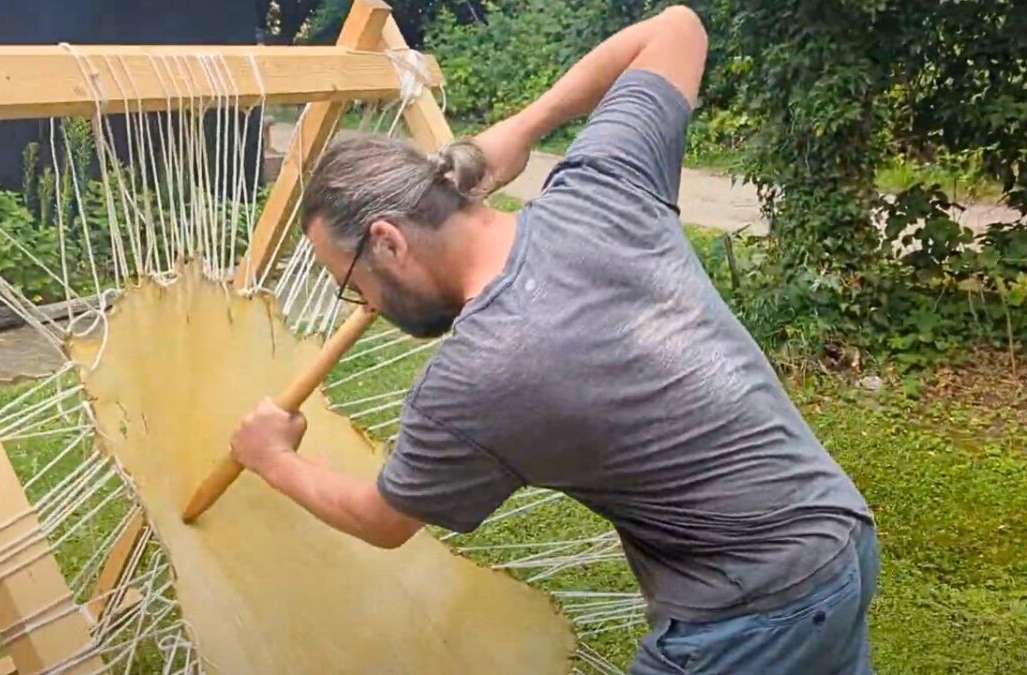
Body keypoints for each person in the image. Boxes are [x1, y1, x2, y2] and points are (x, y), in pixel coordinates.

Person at [229, 5, 879, 673]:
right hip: (837, 535)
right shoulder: (602, 187)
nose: (363, 303)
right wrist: (521, 132)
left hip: (751, 611)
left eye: (352, 281)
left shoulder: (474, 377)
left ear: (389, 241)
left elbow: (382, 518)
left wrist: (273, 458)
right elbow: (678, 27)